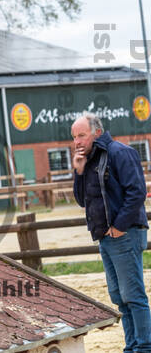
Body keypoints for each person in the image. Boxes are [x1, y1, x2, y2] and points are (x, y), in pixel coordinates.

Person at [72, 112, 151, 352]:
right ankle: (132, 345)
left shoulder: (120, 152)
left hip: (124, 234)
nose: (77, 141)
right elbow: (81, 200)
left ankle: (145, 346)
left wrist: (119, 227)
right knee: (119, 296)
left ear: (97, 132)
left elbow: (136, 193)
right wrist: (78, 172)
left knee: (133, 295)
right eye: (74, 137)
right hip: (106, 238)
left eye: (81, 135)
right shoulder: (89, 160)